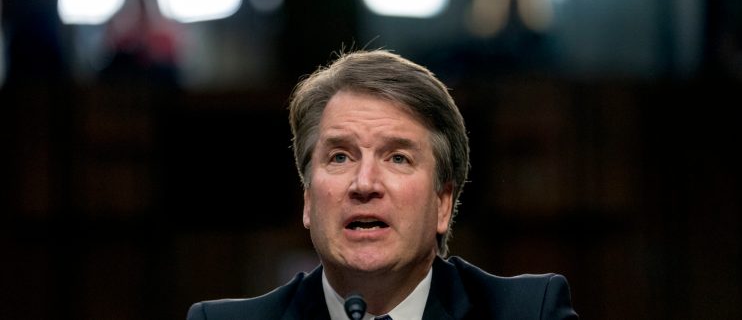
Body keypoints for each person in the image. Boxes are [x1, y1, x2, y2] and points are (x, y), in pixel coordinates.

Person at [187, 49, 578, 319]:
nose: (365, 183)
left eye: (397, 158)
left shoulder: (528, 311)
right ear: (308, 199)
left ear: (443, 202)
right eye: (340, 157)